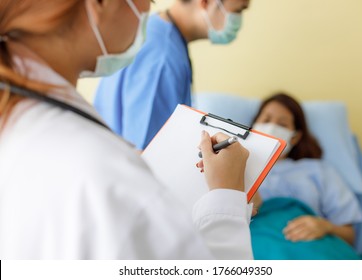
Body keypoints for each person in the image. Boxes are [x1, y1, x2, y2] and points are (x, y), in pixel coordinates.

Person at [0, 0, 253, 259]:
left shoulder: (21, 119)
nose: (147, 12)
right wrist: (227, 195)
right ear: (100, 4)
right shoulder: (106, 174)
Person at [94, 0, 250, 150]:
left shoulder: (156, 29)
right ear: (206, 2)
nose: (240, 20)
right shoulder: (163, 58)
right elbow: (147, 152)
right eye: (238, 10)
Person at [251, 93, 362, 246]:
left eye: (282, 125)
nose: (272, 127)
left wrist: (325, 226)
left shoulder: (319, 170)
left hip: (311, 250)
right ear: (253, 127)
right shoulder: (237, 167)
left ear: (295, 137)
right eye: (266, 120)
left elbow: (350, 236)